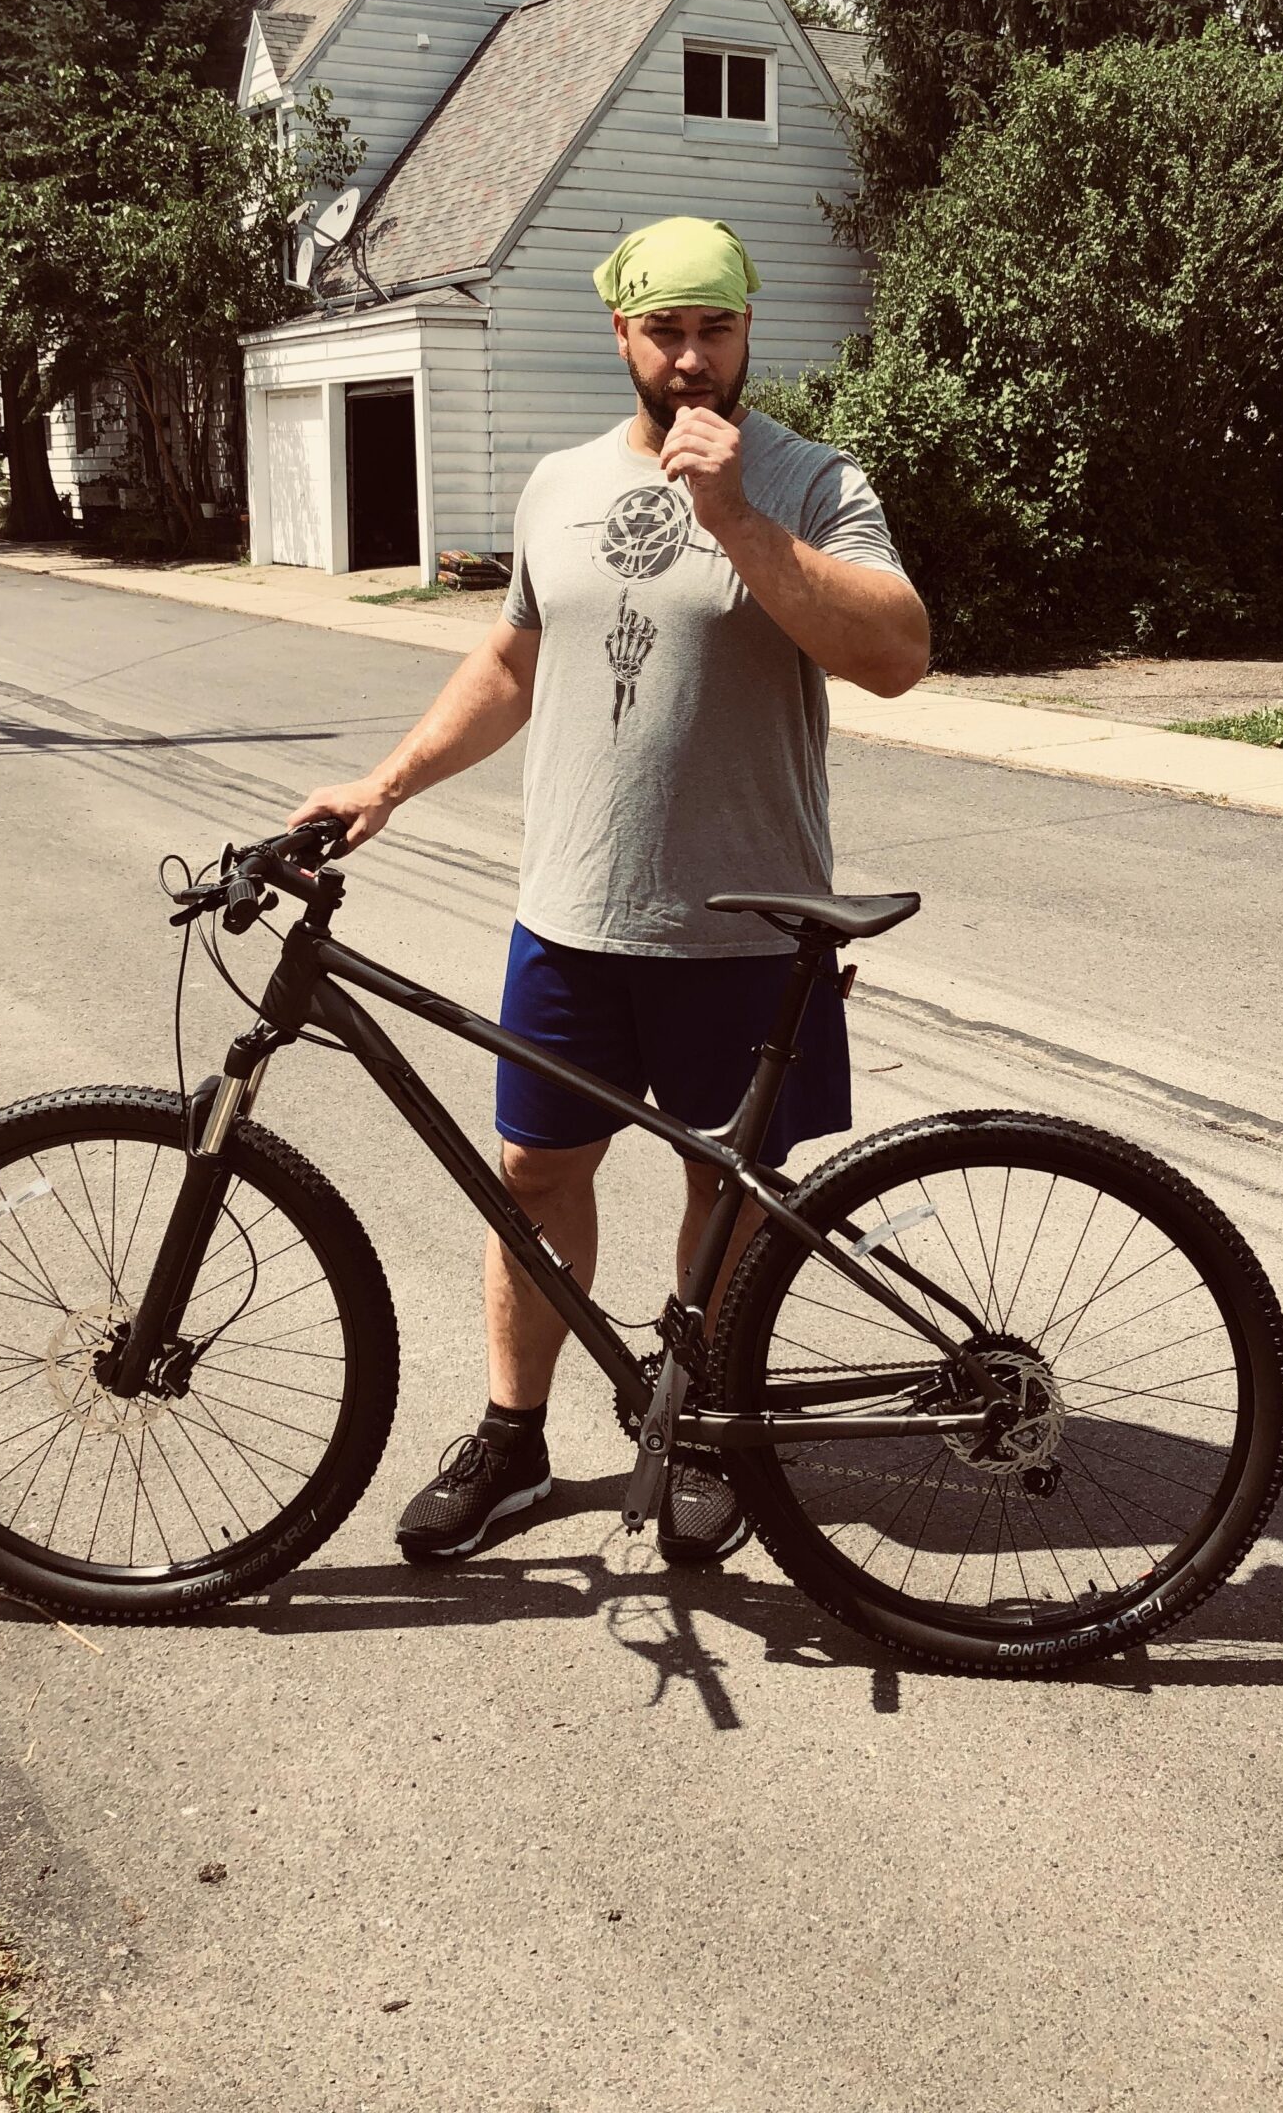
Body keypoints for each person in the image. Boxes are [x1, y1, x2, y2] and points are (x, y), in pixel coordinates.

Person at [289, 216, 929, 1566]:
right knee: (532, 1175)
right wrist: (383, 785)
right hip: (572, 917)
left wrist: (738, 519)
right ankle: (514, 1439)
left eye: (718, 330)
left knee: (730, 1189)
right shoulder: (558, 485)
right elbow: (514, 663)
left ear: (750, 330)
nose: (694, 362)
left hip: (747, 923)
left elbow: (896, 655)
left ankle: (703, 1423)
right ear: (621, 336)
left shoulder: (814, 481)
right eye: (666, 332)